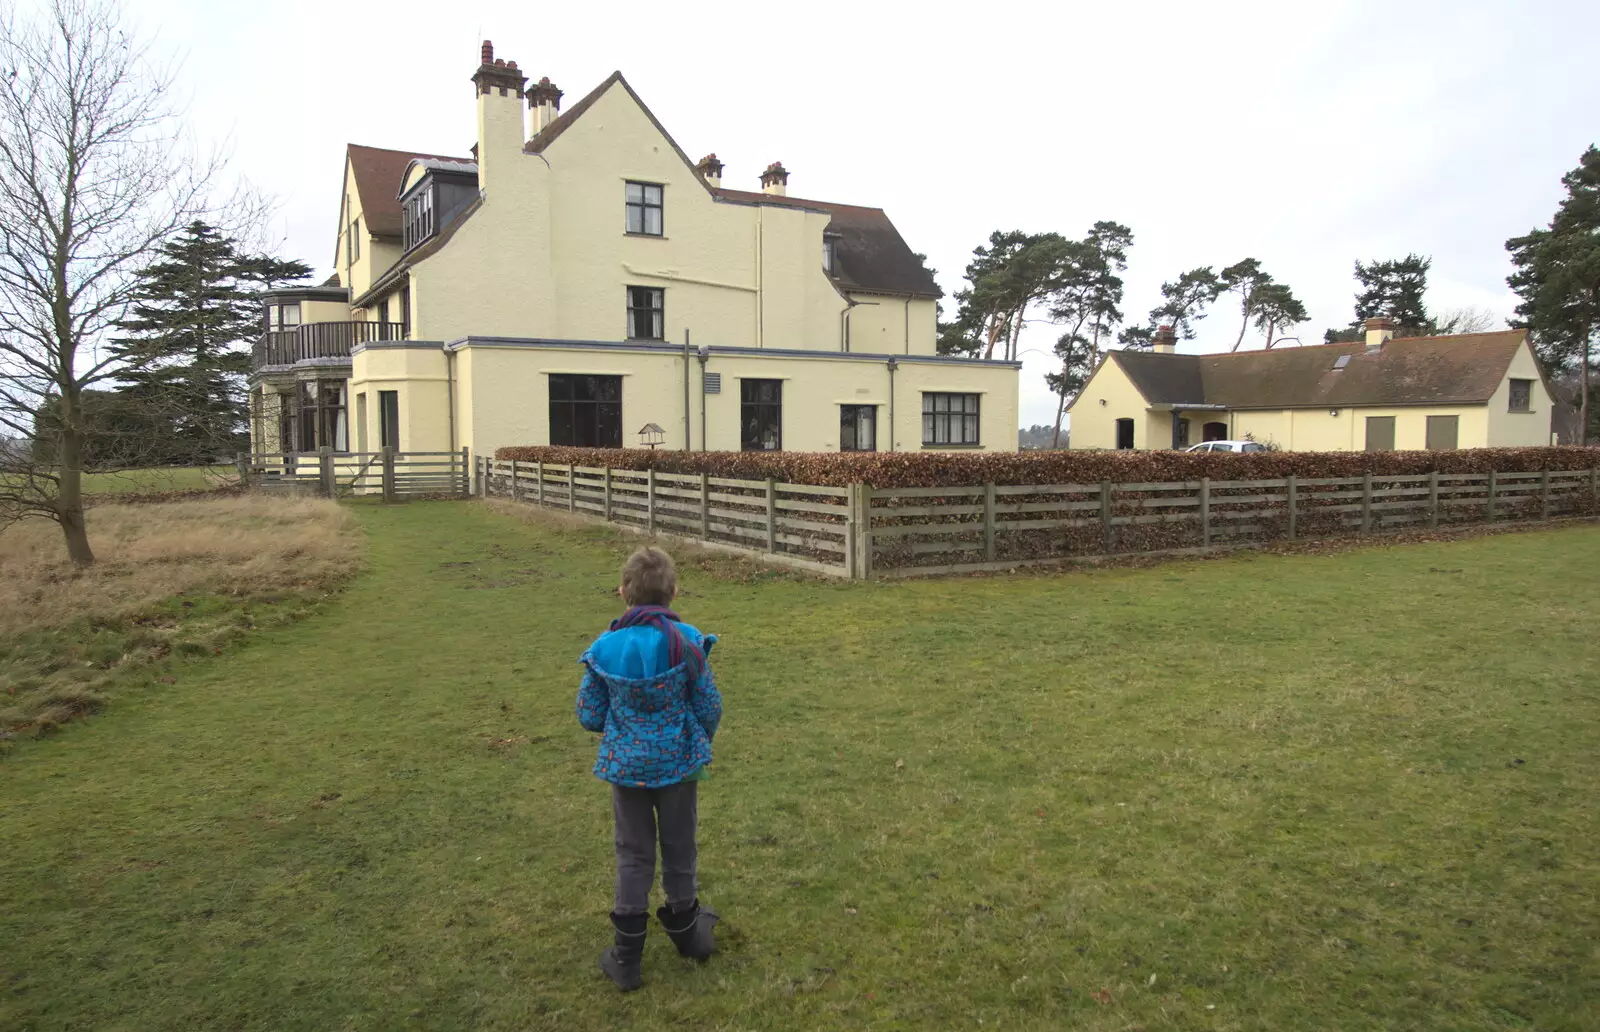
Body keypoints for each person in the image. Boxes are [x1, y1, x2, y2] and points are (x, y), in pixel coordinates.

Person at [576, 546, 723, 992]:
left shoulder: (605, 645)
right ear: (674, 591)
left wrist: (624, 729)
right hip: (679, 768)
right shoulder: (689, 641)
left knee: (634, 854)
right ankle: (687, 933)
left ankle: (626, 959)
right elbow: (709, 706)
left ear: (624, 593)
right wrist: (695, 740)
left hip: (626, 771)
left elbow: (588, 713)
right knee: (680, 846)